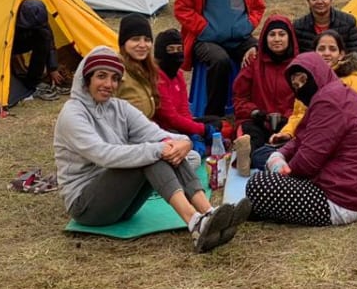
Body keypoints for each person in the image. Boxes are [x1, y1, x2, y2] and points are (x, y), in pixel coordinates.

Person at [53, 45, 250, 253]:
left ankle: (208, 212)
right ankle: (194, 222)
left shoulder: (118, 107)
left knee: (166, 149)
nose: (108, 84)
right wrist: (159, 149)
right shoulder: (73, 115)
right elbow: (104, 155)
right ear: (87, 79)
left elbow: (156, 133)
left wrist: (184, 142)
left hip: (121, 203)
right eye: (101, 76)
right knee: (153, 154)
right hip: (86, 206)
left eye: (114, 78)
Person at [245, 53, 357, 227]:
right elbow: (302, 138)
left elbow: (307, 162)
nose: (301, 88)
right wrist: (279, 155)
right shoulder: (334, 92)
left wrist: (283, 171)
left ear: (317, 73)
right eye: (296, 85)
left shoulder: (329, 102)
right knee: (267, 157)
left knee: (258, 184)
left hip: (345, 199)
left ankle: (264, 206)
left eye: (304, 80)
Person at [174, 0, 266, 118]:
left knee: (264, 53)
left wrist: (248, 25)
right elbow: (181, 7)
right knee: (220, 61)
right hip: (206, 40)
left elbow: (258, 6)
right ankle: (214, 117)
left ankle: (254, 110)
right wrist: (203, 28)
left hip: (240, 38)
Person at [268, 30, 357, 149]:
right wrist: (287, 133)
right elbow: (299, 115)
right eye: (321, 49)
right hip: (306, 137)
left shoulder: (354, 81)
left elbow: (354, 119)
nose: (326, 53)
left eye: (332, 49)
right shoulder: (306, 80)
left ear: (341, 54)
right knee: (263, 154)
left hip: (335, 142)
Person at [230, 16, 299, 173]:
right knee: (252, 135)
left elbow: (304, 101)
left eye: (282, 34)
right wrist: (255, 112)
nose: (277, 39)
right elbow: (239, 97)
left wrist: (287, 117)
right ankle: (247, 157)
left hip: (288, 122)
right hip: (257, 121)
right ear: (264, 38)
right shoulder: (253, 63)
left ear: (290, 37)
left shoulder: (299, 65)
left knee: (295, 136)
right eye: (272, 34)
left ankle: (270, 157)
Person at [152, 28, 224, 148]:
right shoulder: (157, 79)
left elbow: (184, 108)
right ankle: (200, 145)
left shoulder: (178, 75)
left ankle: (199, 142)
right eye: (171, 49)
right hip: (166, 128)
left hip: (180, 123)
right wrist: (201, 130)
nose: (176, 53)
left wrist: (193, 129)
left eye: (179, 49)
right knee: (193, 133)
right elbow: (171, 118)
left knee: (216, 122)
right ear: (161, 52)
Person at [293, 0, 357, 86]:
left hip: (342, 71)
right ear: (308, 0)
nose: (320, 2)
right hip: (311, 74)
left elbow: (355, 54)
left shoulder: (348, 22)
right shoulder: (298, 26)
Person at [11, 0, 65, 93]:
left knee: (43, 40)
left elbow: (49, 43)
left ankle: (32, 82)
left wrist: (53, 68)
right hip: (7, 44)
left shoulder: (40, 19)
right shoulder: (10, 15)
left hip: (21, 43)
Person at [115, 13, 159, 119]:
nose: (142, 45)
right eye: (135, 39)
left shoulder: (147, 69)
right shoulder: (116, 72)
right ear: (123, 43)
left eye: (147, 40)